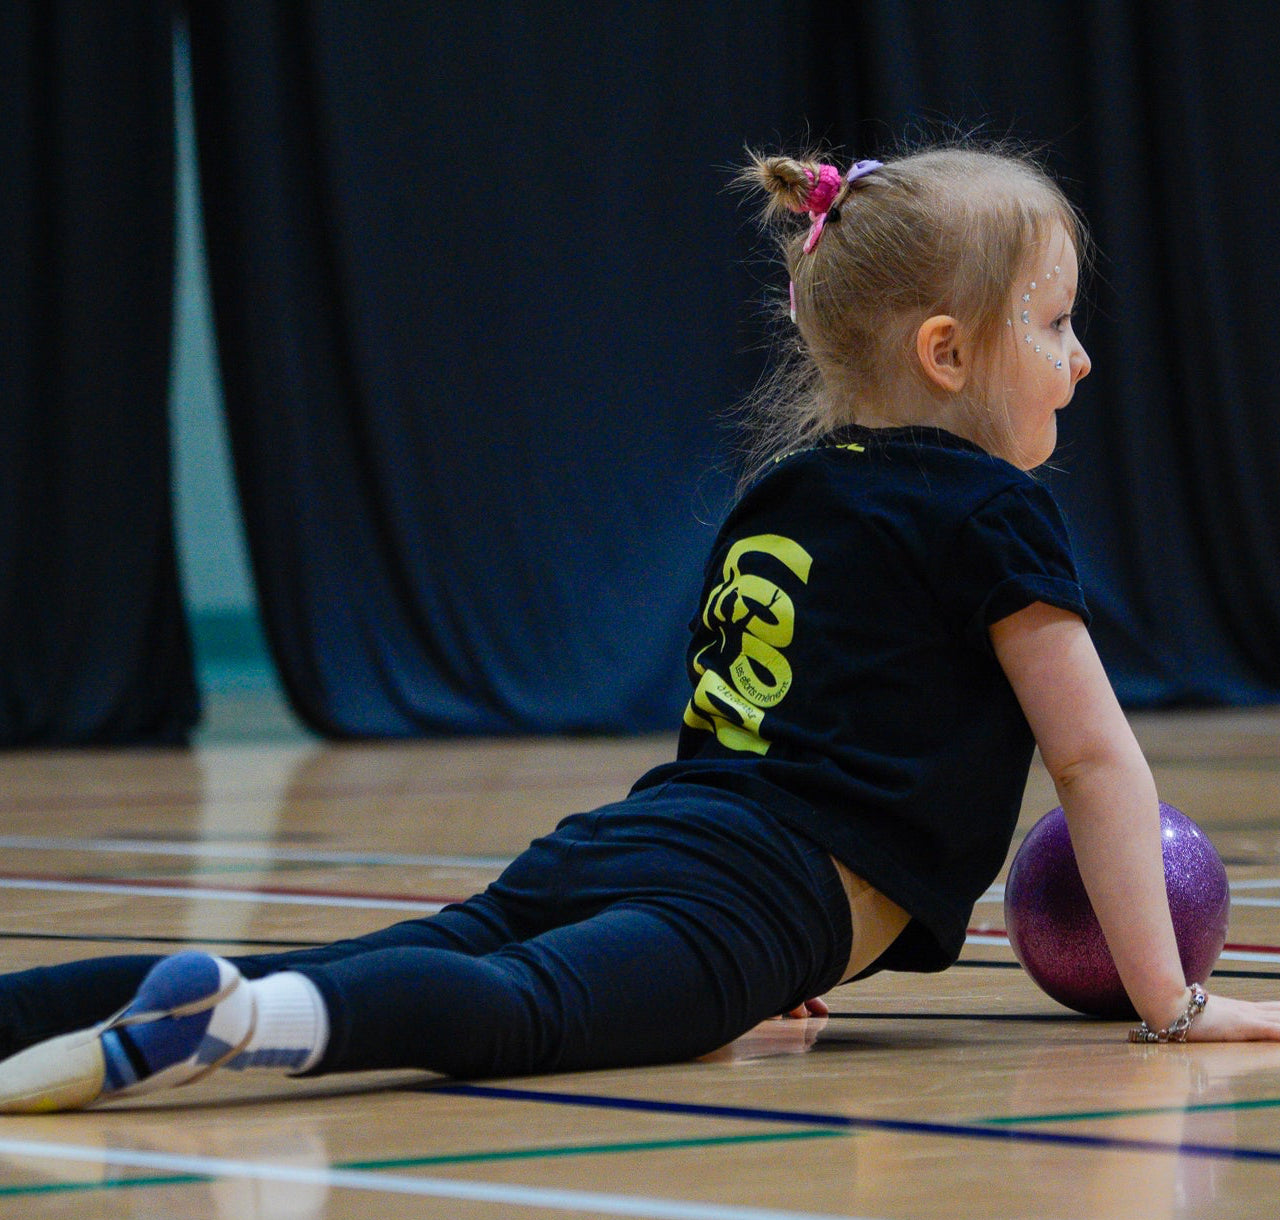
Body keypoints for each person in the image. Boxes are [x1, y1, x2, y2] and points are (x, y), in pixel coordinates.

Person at [4, 141, 1280, 1115]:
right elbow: (1093, 761)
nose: (1080, 358)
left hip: (640, 828)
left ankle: (79, 1002)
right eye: (1053, 325)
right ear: (946, 351)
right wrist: (1171, 999)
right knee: (526, 1008)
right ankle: (250, 1024)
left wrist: (794, 955)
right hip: (751, 890)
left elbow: (768, 716)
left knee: (413, 947)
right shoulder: (994, 513)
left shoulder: (789, 492)